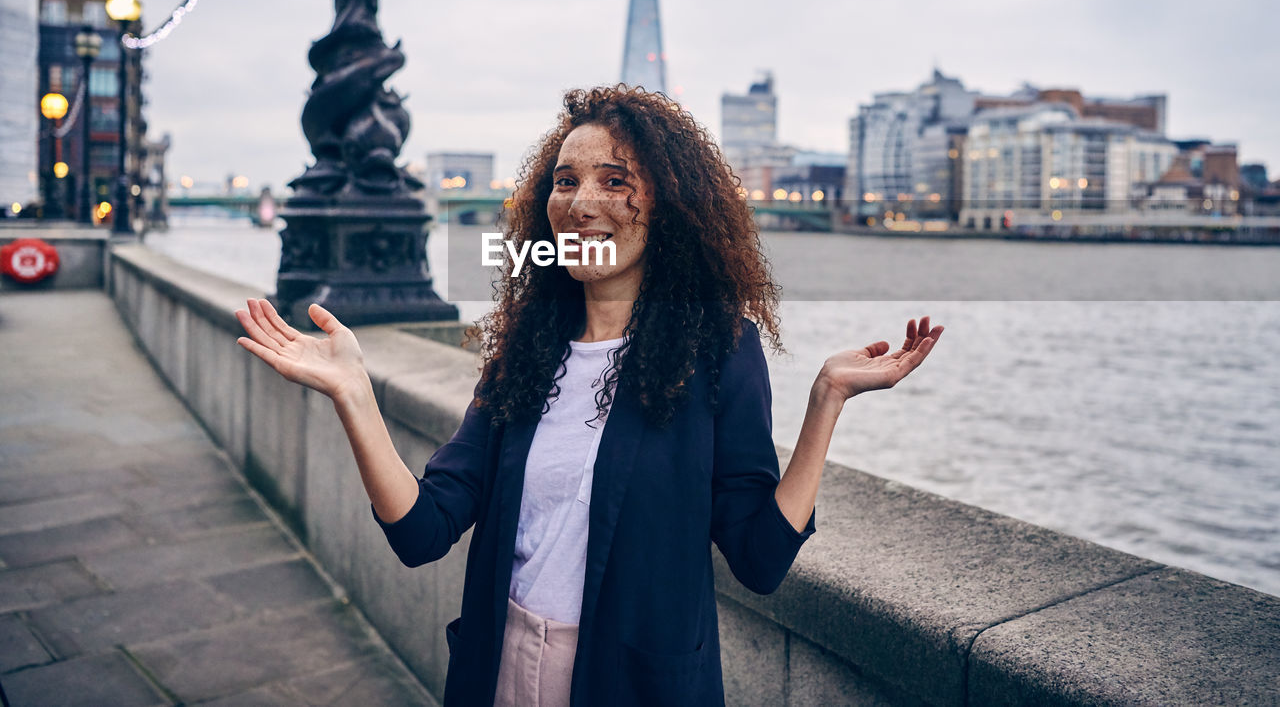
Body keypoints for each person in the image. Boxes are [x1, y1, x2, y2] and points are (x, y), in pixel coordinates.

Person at [235, 85, 943, 706]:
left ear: (667, 207)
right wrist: (355, 395)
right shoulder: (522, 354)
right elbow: (422, 533)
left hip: (636, 685)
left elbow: (758, 559)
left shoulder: (716, 349)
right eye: (565, 180)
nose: (582, 203)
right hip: (498, 671)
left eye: (614, 180)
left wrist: (824, 403)